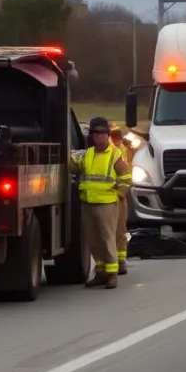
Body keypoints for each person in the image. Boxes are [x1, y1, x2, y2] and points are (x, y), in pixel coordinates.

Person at [68, 116, 132, 288]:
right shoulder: (88, 154)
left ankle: (112, 273)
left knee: (107, 238)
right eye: (95, 134)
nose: (97, 137)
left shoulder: (114, 154)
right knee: (93, 240)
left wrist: (119, 195)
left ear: (107, 135)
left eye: (101, 134)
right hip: (88, 202)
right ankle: (101, 271)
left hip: (106, 203)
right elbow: (74, 166)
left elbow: (125, 177)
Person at [108, 123, 134, 275]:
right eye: (114, 135)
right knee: (108, 231)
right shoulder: (110, 150)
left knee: (120, 230)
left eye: (119, 134)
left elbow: (127, 171)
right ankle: (110, 263)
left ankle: (121, 261)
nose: (117, 137)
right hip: (108, 195)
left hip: (120, 195)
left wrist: (121, 193)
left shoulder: (122, 149)